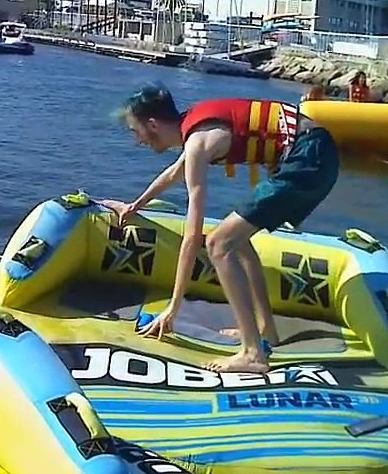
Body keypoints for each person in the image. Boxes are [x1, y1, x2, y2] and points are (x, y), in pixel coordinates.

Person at [105, 84, 340, 373]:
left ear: (152, 124)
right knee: (237, 241)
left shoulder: (197, 142)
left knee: (218, 243)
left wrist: (173, 308)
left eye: (134, 131)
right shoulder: (195, 128)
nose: (136, 141)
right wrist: (135, 206)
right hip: (313, 151)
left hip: (308, 157)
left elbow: (193, 236)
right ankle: (266, 331)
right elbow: (174, 174)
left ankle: (253, 353)